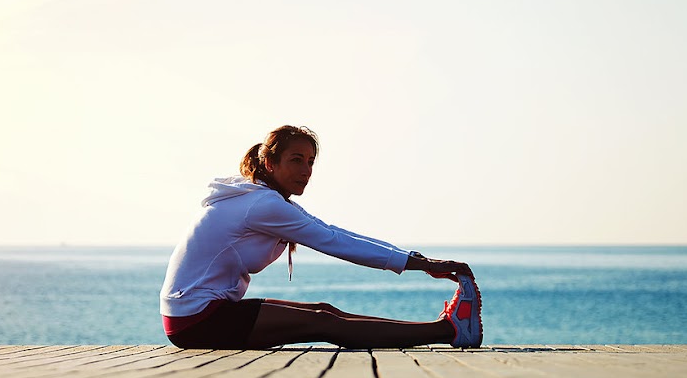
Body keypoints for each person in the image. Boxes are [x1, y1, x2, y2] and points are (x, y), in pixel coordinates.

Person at [159, 125, 482, 350]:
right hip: (197, 319)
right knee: (324, 322)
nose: (306, 170)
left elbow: (335, 233)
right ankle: (448, 330)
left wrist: (416, 260)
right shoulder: (262, 204)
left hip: (197, 313)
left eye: (310, 162)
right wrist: (420, 264)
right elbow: (334, 241)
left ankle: (448, 328)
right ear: (270, 163)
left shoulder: (262, 199)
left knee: (325, 310)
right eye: (296, 160)